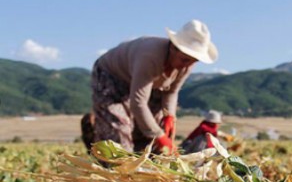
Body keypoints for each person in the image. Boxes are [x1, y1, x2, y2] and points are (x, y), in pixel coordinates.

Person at [83, 20, 218, 153]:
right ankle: (105, 150)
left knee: (154, 125)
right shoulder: (149, 57)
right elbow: (138, 103)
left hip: (146, 83)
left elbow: (171, 92)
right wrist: (158, 135)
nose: (187, 66)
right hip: (112, 75)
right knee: (119, 129)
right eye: (185, 60)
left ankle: (142, 160)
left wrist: (169, 115)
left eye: (194, 61)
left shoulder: (186, 65)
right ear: (173, 48)